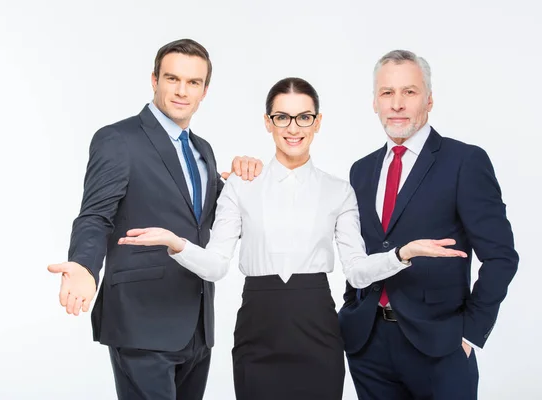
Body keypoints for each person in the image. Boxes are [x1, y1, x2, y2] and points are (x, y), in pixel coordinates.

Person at [119, 77, 467, 400]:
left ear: (317, 122)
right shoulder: (241, 185)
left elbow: (358, 272)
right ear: (268, 122)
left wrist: (402, 254)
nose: (293, 128)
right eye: (282, 117)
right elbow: (215, 267)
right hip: (258, 328)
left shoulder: (338, 191)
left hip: (317, 329)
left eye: (303, 117)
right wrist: (176, 243)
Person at [47, 38, 262, 400]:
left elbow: (207, 219)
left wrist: (244, 183)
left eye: (193, 82)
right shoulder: (119, 139)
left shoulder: (202, 150)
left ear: (204, 90)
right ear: (154, 80)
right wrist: (85, 265)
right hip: (141, 320)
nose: (181, 91)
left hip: (196, 323)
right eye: (172, 78)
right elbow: (95, 215)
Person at [338, 50, 519, 400]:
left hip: (441, 346)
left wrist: (469, 334)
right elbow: (359, 253)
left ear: (429, 100)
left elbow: (501, 258)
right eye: (387, 93)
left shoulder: (464, 161)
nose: (397, 104)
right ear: (374, 102)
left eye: (410, 92)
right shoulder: (361, 170)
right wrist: (352, 308)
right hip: (368, 344)